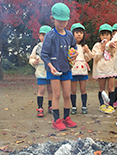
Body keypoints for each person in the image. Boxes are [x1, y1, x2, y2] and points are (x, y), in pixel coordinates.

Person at [41, 2, 78, 131]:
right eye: (59, 20)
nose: (62, 23)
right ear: (53, 19)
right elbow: (44, 54)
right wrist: (50, 67)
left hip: (66, 69)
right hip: (54, 70)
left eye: (64, 21)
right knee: (56, 95)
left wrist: (76, 52)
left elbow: (74, 46)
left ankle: (66, 118)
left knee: (67, 95)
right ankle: (56, 120)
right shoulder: (50, 36)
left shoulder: (69, 35)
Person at [92, 24, 117, 114]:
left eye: (107, 34)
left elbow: (115, 54)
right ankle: (102, 104)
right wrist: (102, 49)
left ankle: (111, 105)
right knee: (102, 88)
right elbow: (94, 57)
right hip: (101, 69)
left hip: (111, 68)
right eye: (103, 34)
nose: (105, 36)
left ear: (111, 35)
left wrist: (109, 47)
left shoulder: (113, 44)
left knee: (111, 88)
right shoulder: (97, 45)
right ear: (100, 36)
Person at [29, 25, 53, 117]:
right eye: (42, 35)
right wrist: (34, 62)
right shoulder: (37, 47)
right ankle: (40, 108)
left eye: (47, 35)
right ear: (39, 36)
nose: (44, 37)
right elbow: (31, 58)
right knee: (41, 90)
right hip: (41, 72)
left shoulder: (53, 47)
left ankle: (50, 106)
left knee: (50, 90)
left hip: (50, 72)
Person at [70, 23, 93, 115]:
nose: (79, 34)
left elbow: (89, 57)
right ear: (72, 34)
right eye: (76, 32)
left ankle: (84, 106)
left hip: (83, 71)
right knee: (73, 90)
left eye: (81, 33)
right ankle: (74, 106)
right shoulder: (70, 47)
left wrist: (87, 51)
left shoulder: (84, 47)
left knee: (83, 89)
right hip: (73, 71)